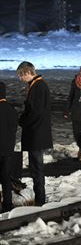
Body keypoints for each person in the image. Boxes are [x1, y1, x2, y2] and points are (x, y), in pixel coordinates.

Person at [16, 61, 52, 206]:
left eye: (20, 75)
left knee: (37, 167)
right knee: (35, 166)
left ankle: (40, 200)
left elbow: (35, 111)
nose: (20, 79)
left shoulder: (38, 86)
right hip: (36, 131)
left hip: (36, 132)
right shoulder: (37, 85)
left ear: (26, 72)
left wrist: (22, 121)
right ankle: (39, 198)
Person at [0, 82, 18, 213]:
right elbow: (14, 129)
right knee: (6, 179)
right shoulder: (11, 110)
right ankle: (8, 205)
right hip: (7, 150)